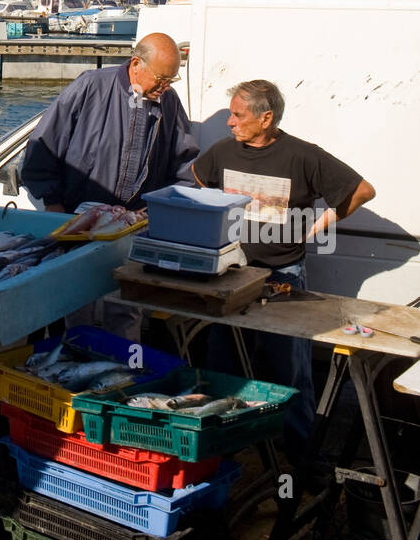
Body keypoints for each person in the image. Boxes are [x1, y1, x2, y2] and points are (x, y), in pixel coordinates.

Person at [192, 79, 375, 462]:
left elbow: (361, 190)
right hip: (231, 274)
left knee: (289, 372)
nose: (229, 122)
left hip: (283, 278)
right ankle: (222, 450)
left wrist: (314, 226)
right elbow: (199, 175)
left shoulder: (302, 156)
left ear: (266, 118)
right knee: (223, 363)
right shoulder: (225, 152)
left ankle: (300, 459)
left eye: (238, 115)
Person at [20, 32, 199, 214]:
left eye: (171, 80)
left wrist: (166, 207)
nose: (166, 87)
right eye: (161, 79)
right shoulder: (90, 86)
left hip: (136, 222)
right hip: (77, 216)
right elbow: (43, 146)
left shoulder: (169, 101)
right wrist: (52, 201)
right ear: (136, 64)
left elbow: (184, 164)